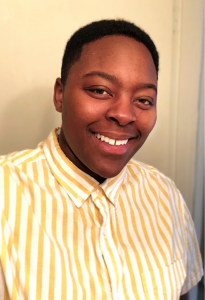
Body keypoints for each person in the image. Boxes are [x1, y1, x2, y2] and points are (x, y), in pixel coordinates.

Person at [0, 19, 203, 300]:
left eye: (144, 100)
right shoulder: (5, 196)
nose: (124, 114)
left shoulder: (166, 196)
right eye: (99, 90)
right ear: (60, 95)